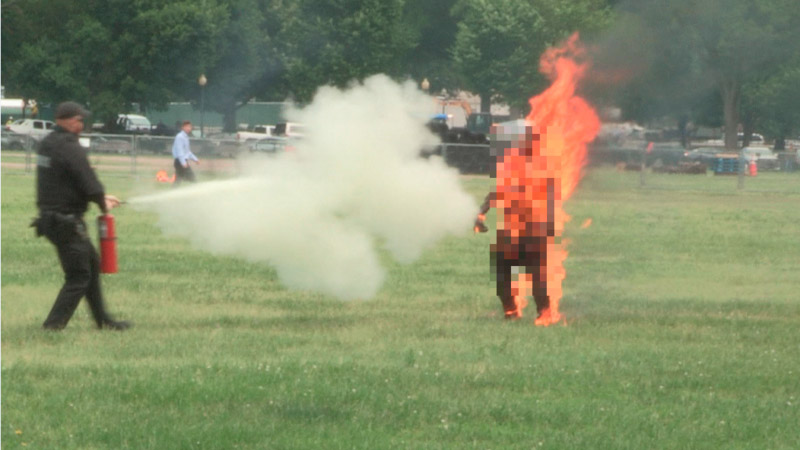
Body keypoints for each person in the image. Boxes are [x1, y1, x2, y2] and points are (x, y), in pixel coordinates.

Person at [32, 101, 131, 331]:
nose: (81, 124)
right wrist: (102, 201)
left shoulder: (48, 144)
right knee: (78, 275)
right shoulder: (69, 146)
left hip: (51, 219)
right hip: (65, 221)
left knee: (91, 265)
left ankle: (103, 321)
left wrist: (100, 198)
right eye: (78, 120)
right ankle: (53, 326)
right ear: (65, 120)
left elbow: (66, 182)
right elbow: (88, 180)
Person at [474, 120, 557, 325]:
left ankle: (545, 313)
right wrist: (481, 213)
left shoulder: (540, 165)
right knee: (502, 271)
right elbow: (497, 192)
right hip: (511, 229)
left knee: (537, 275)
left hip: (533, 229)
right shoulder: (511, 164)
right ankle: (511, 311)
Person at [171, 120, 199, 185]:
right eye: (187, 127)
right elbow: (179, 151)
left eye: (190, 127)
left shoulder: (185, 137)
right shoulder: (180, 137)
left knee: (178, 180)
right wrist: (183, 162)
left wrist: (195, 159)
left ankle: (173, 193)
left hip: (182, 161)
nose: (189, 128)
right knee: (193, 179)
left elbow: (187, 152)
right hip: (180, 162)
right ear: (183, 127)